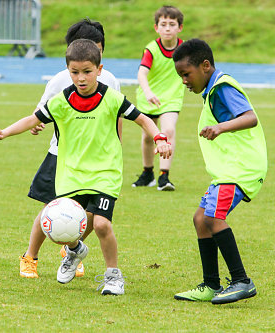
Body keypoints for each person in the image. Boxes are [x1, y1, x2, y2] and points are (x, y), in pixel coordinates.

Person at [0, 39, 172, 295]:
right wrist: (4, 132)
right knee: (61, 230)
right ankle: (75, 251)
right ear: (68, 71)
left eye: (87, 71)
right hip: (70, 175)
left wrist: (160, 138)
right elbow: (33, 119)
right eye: (75, 72)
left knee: (101, 225)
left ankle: (113, 276)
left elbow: (143, 120)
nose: (81, 78)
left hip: (105, 173)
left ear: (99, 69)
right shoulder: (61, 101)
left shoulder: (112, 98)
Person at [19, 18, 122, 280]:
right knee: (50, 210)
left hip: (97, 161)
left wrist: (117, 148)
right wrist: (36, 126)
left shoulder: (109, 80)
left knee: (87, 214)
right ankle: (30, 256)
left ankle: (71, 252)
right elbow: (41, 112)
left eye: (96, 48)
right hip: (61, 157)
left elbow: (117, 116)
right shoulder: (59, 81)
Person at [172, 39, 267, 304]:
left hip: (241, 169)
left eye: (186, 74)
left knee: (213, 217)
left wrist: (221, 128)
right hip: (230, 169)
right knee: (201, 219)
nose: (184, 81)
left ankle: (242, 281)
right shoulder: (212, 90)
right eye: (180, 76)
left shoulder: (223, 87)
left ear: (205, 66)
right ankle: (211, 285)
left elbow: (250, 117)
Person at [132, 5, 185, 191]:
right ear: (156, 27)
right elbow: (141, 74)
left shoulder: (184, 49)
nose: (168, 28)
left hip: (171, 98)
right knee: (148, 138)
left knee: (168, 130)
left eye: (172, 24)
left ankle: (164, 176)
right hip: (149, 97)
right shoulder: (151, 49)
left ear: (180, 28)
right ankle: (148, 173)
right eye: (163, 24)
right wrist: (148, 93)